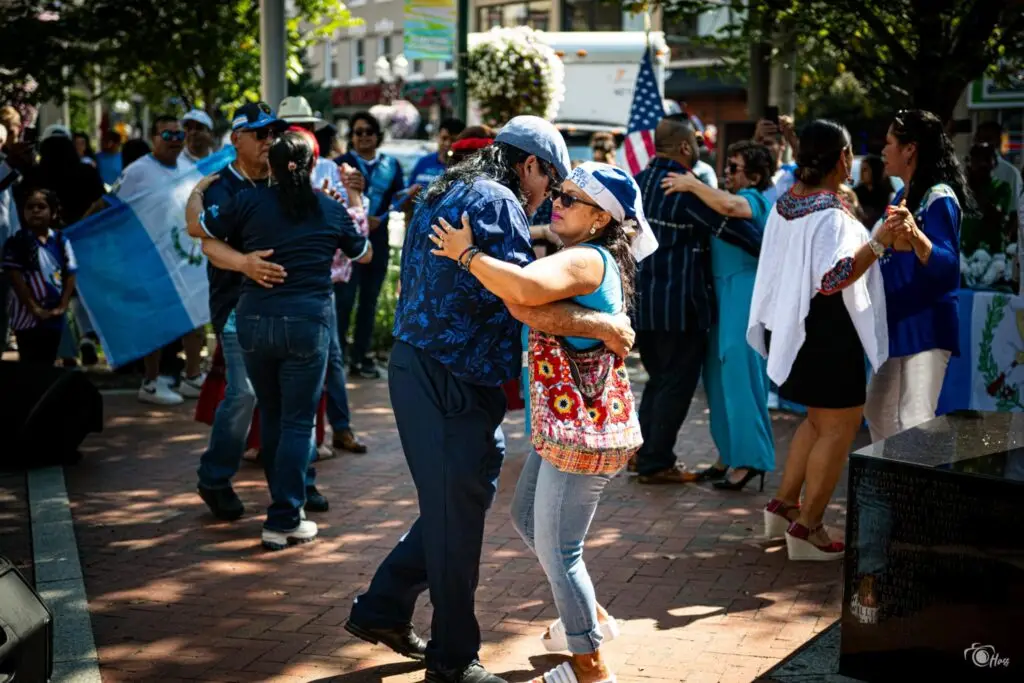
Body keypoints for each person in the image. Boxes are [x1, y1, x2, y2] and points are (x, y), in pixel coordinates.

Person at [344, 116, 635, 683]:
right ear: (530, 164)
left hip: (421, 369)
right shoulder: (499, 201)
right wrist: (605, 325)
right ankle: (453, 660)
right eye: (550, 186)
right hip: (453, 379)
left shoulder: (445, 186)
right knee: (460, 515)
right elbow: (522, 300)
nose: (547, 200)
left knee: (462, 500)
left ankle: (383, 606)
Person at [429, 161, 653, 683]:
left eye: (572, 199)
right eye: (560, 191)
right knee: (528, 519)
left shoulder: (586, 260)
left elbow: (525, 291)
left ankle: (590, 663)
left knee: (561, 548)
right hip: (566, 428)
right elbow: (528, 306)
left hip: (584, 432)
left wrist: (466, 253)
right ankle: (590, 619)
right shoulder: (586, 254)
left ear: (601, 219)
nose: (558, 200)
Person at [186, 131, 372, 549]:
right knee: (296, 421)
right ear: (311, 167)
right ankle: (285, 516)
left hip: (254, 322)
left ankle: (283, 512)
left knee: (271, 415)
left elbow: (201, 229)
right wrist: (353, 202)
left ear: (271, 165)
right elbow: (364, 254)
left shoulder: (248, 202)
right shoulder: (327, 208)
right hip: (307, 324)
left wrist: (200, 191)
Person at [748, 119, 897, 561]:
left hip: (794, 326)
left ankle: (784, 505)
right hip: (827, 330)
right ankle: (807, 525)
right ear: (843, 158)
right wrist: (880, 242)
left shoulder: (788, 203)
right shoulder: (830, 212)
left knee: (816, 422)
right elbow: (833, 278)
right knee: (839, 426)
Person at [631, 114, 763, 484]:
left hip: (644, 301)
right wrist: (769, 246)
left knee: (658, 379)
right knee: (676, 383)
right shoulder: (681, 189)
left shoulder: (637, 184)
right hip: (680, 305)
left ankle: (642, 455)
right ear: (685, 148)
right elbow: (735, 231)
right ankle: (656, 462)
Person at [188, 101, 297, 520]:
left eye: (274, 133)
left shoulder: (282, 182)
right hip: (236, 307)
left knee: (284, 396)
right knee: (245, 392)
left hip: (281, 305)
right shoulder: (220, 188)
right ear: (236, 140)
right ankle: (214, 476)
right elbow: (206, 242)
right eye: (261, 134)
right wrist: (246, 264)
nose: (270, 141)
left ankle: (293, 486)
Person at [660, 140, 775, 490]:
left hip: (743, 287)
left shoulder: (756, 200)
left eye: (734, 168)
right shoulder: (720, 198)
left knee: (740, 372)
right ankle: (728, 454)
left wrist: (692, 183)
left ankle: (751, 460)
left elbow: (732, 206)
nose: (727, 174)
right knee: (714, 375)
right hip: (718, 293)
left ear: (754, 175)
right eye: (727, 167)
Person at [863, 109, 967, 441]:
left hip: (927, 324)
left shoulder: (939, 197)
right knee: (877, 409)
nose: (883, 150)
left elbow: (949, 266)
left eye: (890, 142)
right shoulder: (900, 196)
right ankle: (896, 487)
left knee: (915, 418)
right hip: (896, 324)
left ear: (910, 149)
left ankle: (916, 491)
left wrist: (915, 236)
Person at [278, 96, 370, 454]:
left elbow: (353, 227)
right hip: (285, 282)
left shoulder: (332, 169)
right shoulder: (271, 177)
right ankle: (303, 441)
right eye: (291, 128)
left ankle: (336, 429)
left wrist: (352, 196)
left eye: (306, 126)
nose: (301, 133)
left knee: (330, 356)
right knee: (302, 362)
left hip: (324, 278)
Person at [106, 114, 207, 404]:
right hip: (150, 257)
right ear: (154, 138)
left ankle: (192, 376)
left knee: (196, 317)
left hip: (186, 256)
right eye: (168, 135)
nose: (176, 140)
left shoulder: (191, 168)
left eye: (179, 135)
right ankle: (150, 383)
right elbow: (111, 207)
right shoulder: (138, 171)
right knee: (158, 322)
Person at [334, 111, 405, 379]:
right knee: (344, 299)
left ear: (377, 136)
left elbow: (398, 197)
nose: (363, 137)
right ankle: (338, 356)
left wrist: (382, 218)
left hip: (378, 239)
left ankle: (361, 358)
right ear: (351, 137)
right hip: (347, 241)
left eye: (368, 132)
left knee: (369, 301)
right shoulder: (341, 163)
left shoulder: (391, 164)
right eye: (358, 132)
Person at [2, 187, 76, 365]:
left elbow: (71, 272)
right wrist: (34, 308)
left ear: (53, 213)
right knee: (30, 362)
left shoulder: (60, 241)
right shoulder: (17, 243)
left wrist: (63, 305)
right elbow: (16, 277)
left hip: (54, 313)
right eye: (30, 207)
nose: (35, 210)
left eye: (41, 207)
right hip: (26, 316)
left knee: (49, 359)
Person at [960, 142, 1014, 262]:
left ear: (994, 163)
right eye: (977, 159)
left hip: (990, 253)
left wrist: (977, 188)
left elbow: (996, 215)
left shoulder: (1001, 187)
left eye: (986, 159)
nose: (982, 164)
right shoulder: (961, 187)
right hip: (964, 251)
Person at [408, 117, 465, 189]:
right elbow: (407, 193)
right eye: (444, 138)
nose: (447, 143)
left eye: (453, 140)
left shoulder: (464, 167)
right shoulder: (423, 162)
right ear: (438, 137)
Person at [854, 155, 893, 230]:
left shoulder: (886, 193)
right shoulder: (856, 192)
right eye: (861, 169)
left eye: (865, 170)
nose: (861, 173)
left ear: (874, 170)